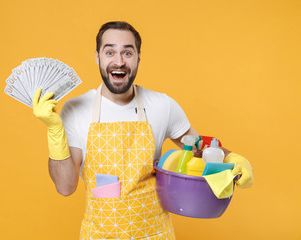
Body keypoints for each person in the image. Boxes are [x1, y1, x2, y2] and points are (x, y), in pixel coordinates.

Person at [32, 21, 253, 239]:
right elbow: (65, 186)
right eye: (110, 52)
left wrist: (232, 157)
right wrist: (54, 131)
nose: (118, 62)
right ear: (97, 57)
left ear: (138, 57)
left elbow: (200, 149)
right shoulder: (76, 109)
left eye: (127, 53)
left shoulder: (163, 105)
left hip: (154, 234)